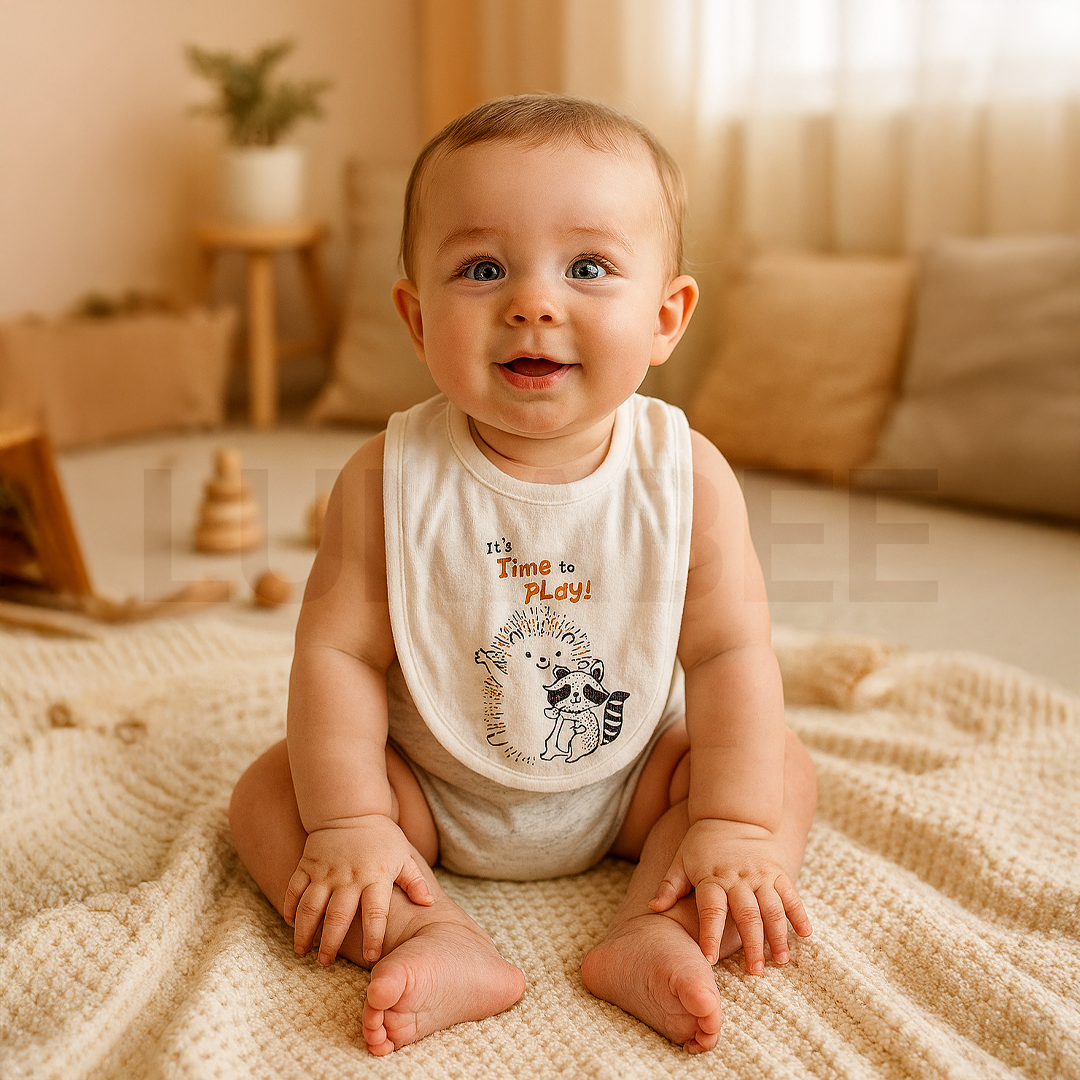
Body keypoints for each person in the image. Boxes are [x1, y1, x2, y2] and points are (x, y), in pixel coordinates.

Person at [229, 93, 817, 1057]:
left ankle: (658, 929)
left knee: (776, 770)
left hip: (630, 787)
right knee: (268, 794)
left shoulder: (688, 475)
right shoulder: (385, 478)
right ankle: (427, 932)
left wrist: (732, 822)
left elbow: (729, 654)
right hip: (427, 789)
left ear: (665, 317)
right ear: (417, 318)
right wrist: (352, 821)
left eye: (587, 267)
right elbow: (336, 655)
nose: (532, 303)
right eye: (483, 268)